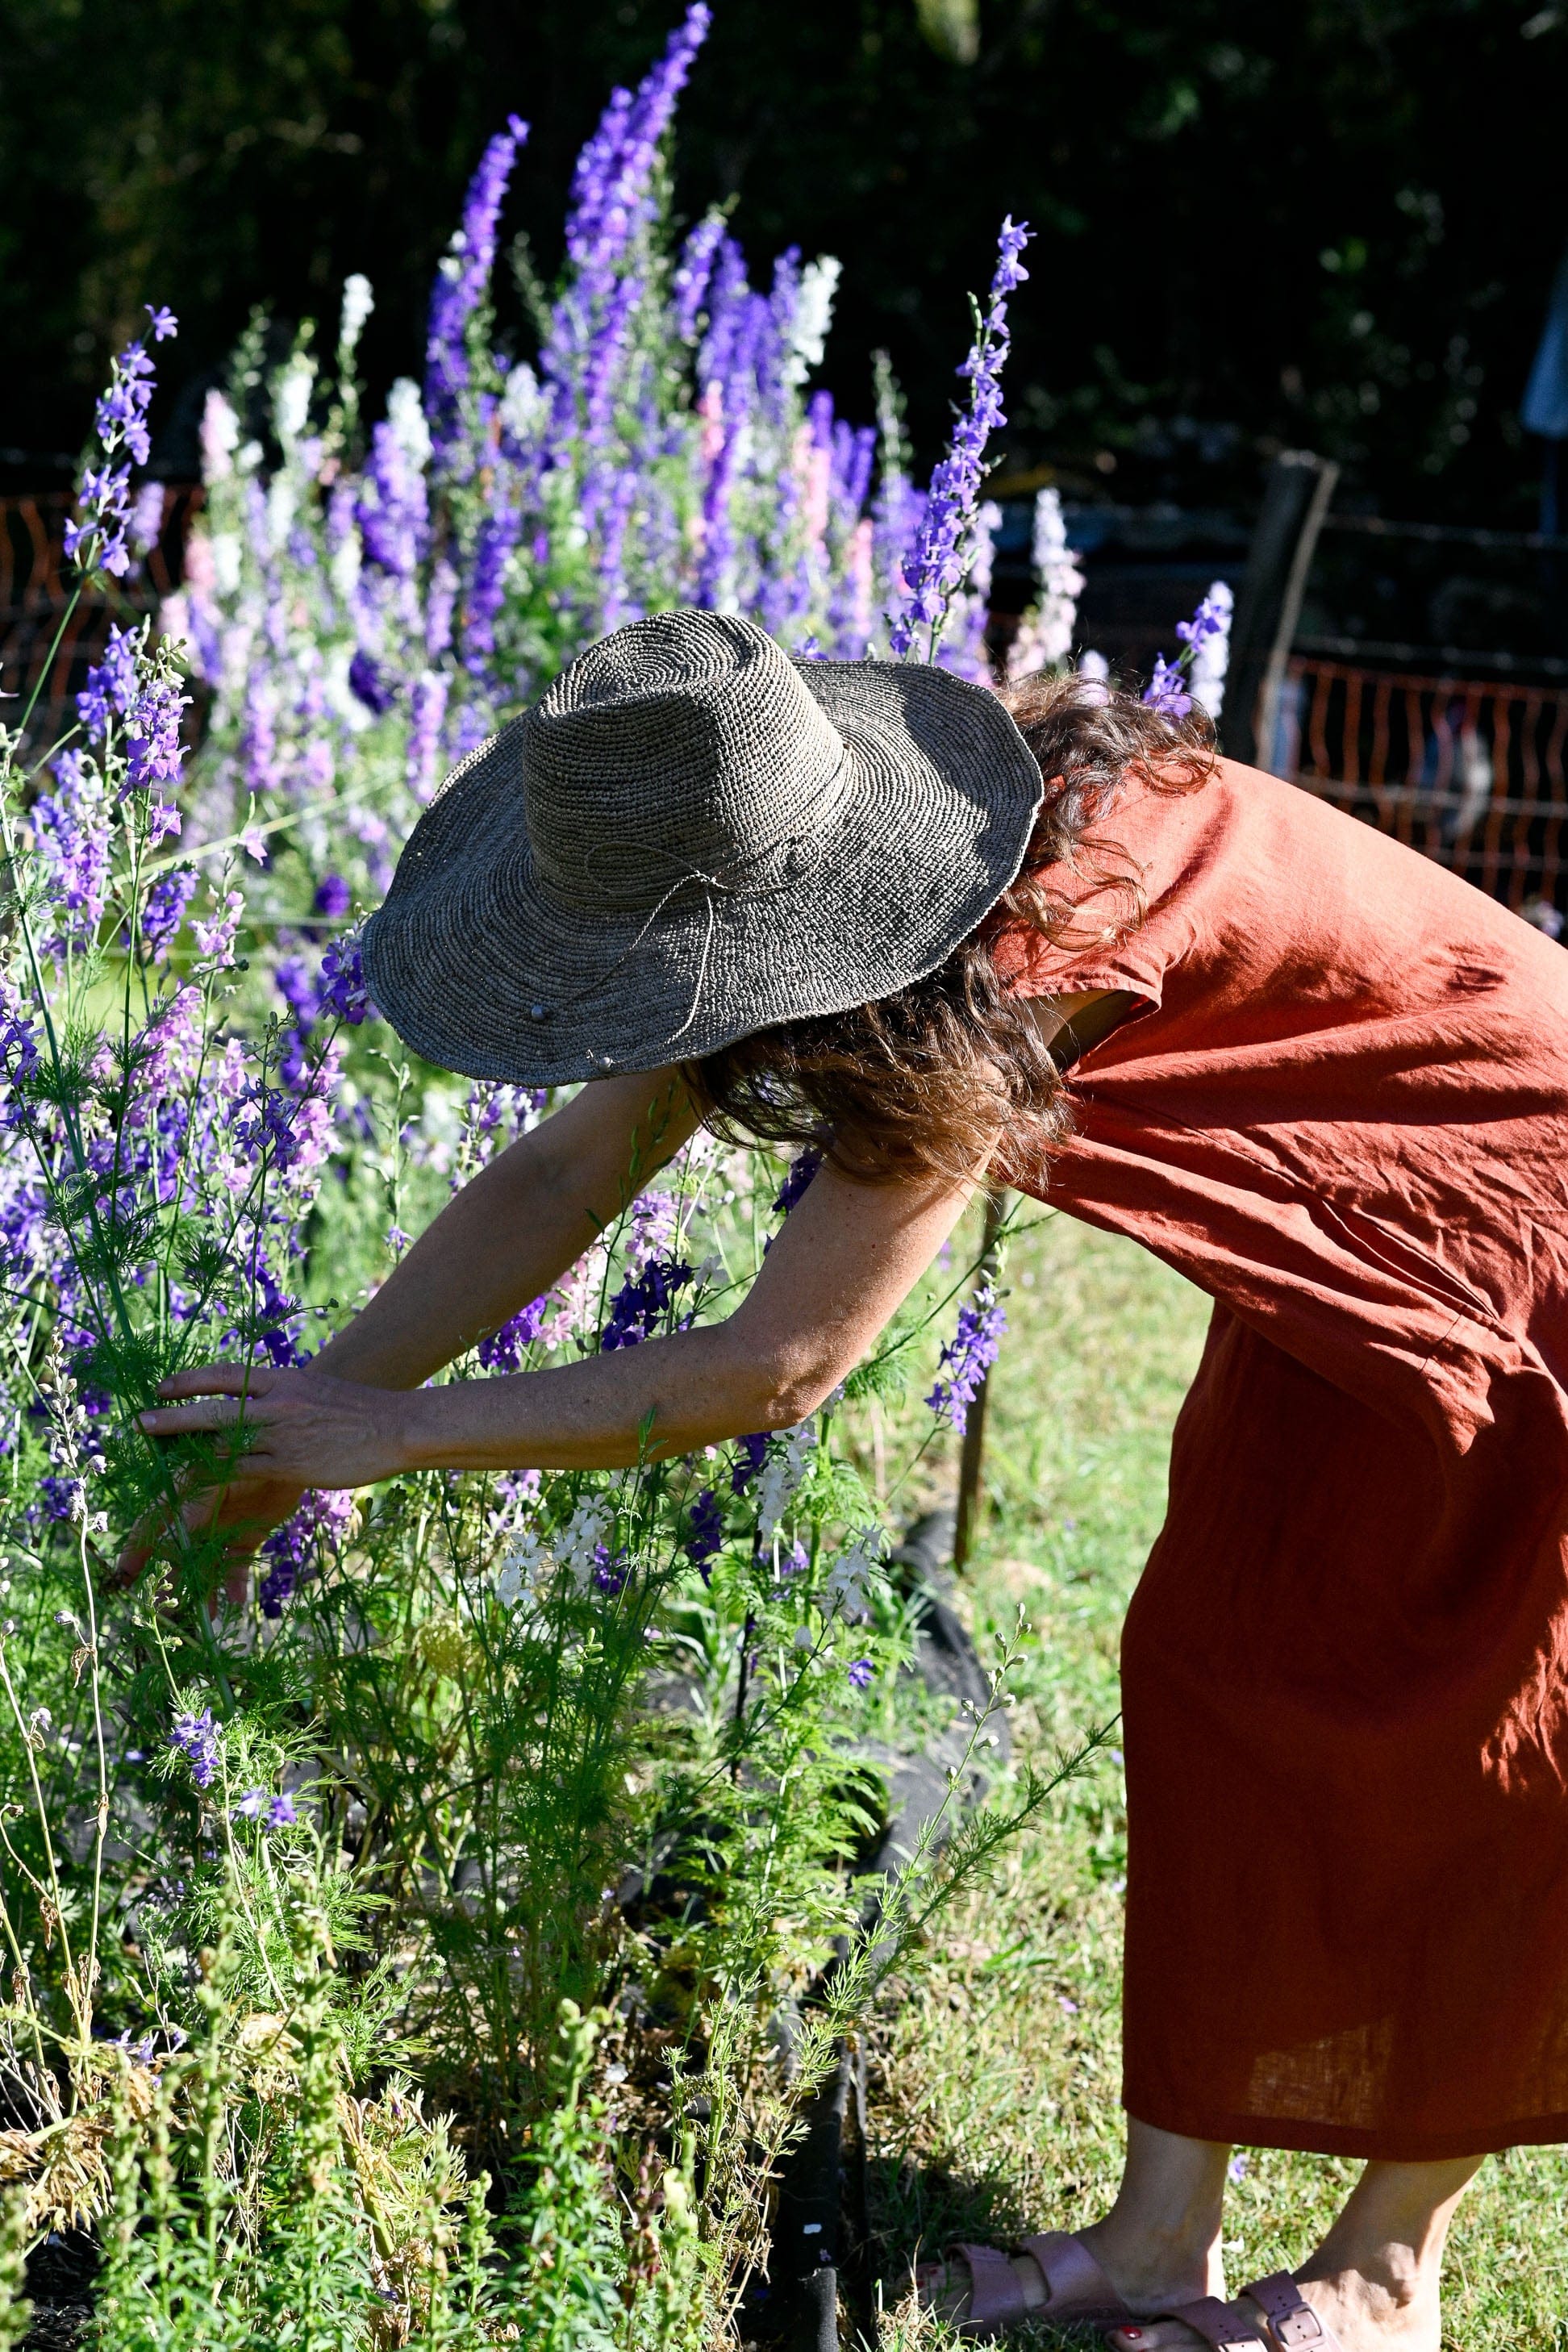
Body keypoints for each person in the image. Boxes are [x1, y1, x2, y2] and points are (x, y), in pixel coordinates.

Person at [132, 608, 1568, 2352]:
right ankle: (1152, 2241)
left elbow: (778, 1359)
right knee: (1216, 1654)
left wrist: (403, 1441)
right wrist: (315, 1412)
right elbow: (570, 1169)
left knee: (1489, 1739)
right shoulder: (836, 858)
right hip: (1336, 1222)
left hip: (1523, 1213)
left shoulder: (1010, 947)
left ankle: (1385, 2274)